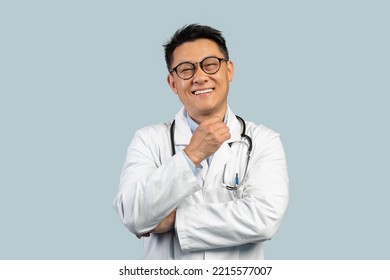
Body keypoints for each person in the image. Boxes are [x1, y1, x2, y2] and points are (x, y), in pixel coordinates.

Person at [113, 24, 289, 260]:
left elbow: (265, 219)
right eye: (186, 69)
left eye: (210, 64)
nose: (199, 77)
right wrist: (191, 156)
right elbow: (132, 215)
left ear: (229, 71)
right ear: (173, 83)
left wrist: (175, 219)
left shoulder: (264, 141)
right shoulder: (147, 140)